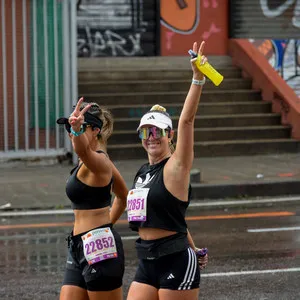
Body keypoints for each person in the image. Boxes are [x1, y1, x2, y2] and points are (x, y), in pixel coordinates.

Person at [126, 41, 209, 300]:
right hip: (147, 260)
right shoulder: (142, 173)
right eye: (145, 132)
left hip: (175, 261)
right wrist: (195, 248)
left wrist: (197, 79)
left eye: (156, 132)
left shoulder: (177, 166)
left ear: (169, 135)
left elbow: (187, 120)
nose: (151, 137)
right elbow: (174, 218)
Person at [57, 98, 128, 300]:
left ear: (96, 130)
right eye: (69, 127)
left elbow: (81, 149)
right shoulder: (94, 161)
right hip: (78, 245)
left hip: (100, 250)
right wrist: (106, 226)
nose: (71, 132)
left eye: (80, 126)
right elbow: (123, 196)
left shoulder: (99, 162)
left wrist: (101, 230)